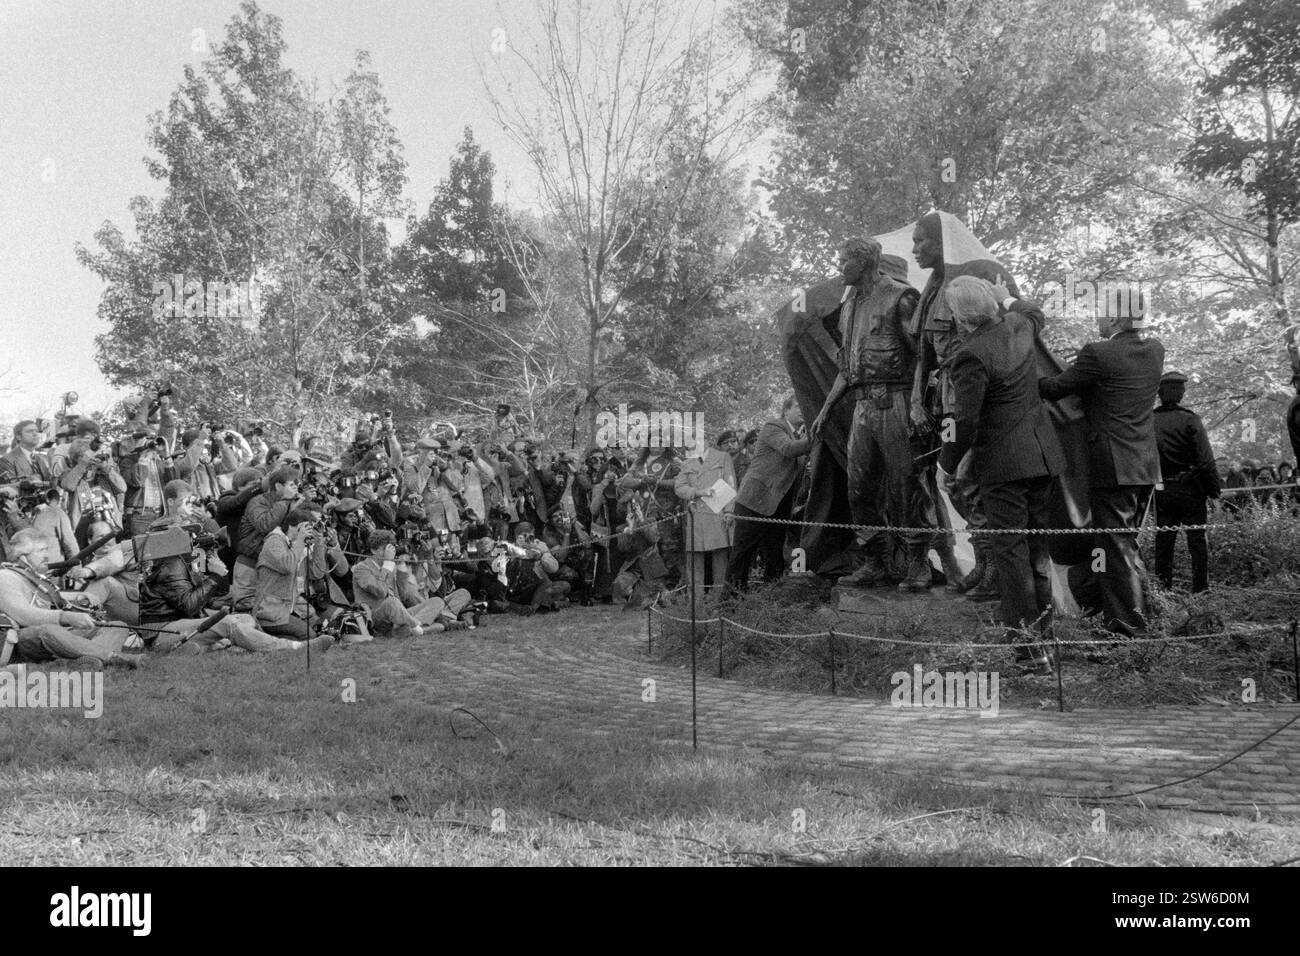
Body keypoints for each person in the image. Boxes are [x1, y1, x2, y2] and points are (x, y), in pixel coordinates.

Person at [938, 277, 1064, 672]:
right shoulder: (1020, 325)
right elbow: (1032, 309)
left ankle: (1028, 653)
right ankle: (1044, 644)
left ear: (960, 316)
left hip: (1005, 466)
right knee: (1039, 553)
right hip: (1043, 458)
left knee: (1012, 556)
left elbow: (965, 421)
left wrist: (945, 462)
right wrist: (1002, 293)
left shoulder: (970, 355)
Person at [1039, 287, 1164, 635]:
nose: (1095, 317)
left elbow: (1054, 388)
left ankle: (1127, 631)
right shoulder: (1155, 350)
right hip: (1144, 466)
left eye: (1099, 311)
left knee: (1115, 549)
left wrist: (1025, 375)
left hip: (1111, 467)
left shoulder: (1098, 354)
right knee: (1125, 546)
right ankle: (1129, 616)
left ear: (1113, 318)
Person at [813, 236, 931, 590]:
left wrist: (915, 403)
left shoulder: (900, 297)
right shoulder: (849, 308)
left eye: (844, 260)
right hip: (862, 406)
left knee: (907, 484)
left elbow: (924, 358)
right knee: (859, 488)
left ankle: (918, 564)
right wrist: (826, 408)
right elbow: (847, 368)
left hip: (895, 401)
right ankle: (875, 561)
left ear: (864, 262)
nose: (839, 267)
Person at [0, 528, 139, 669]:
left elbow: (52, 598)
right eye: (41, 551)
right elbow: (24, 615)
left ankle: (86, 660)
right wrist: (66, 617)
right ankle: (111, 657)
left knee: (118, 626)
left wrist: (79, 596)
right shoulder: (6, 577)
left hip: (57, 633)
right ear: (23, 557)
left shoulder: (33, 576)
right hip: (25, 638)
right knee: (49, 631)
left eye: (47, 550)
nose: (47, 555)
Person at [725, 395, 811, 592]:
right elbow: (789, 449)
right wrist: (816, 434)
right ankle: (728, 604)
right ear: (786, 410)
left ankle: (769, 602)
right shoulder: (774, 426)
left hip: (778, 507)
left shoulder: (801, 434)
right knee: (742, 555)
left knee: (774, 556)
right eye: (797, 405)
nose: (802, 409)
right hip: (754, 502)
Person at [1152, 371, 1219, 593]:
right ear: (1180, 392)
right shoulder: (1191, 419)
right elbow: (1206, 460)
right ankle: (1201, 590)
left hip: (1162, 490)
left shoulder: (1149, 421)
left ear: (1160, 394)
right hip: (1191, 489)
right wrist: (1214, 491)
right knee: (1197, 541)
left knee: (1163, 542)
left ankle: (1162, 591)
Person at [675, 430, 738, 613]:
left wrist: (729, 512)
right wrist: (697, 492)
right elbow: (679, 487)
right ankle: (696, 606)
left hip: (718, 514)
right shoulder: (687, 463)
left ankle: (719, 604)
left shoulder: (723, 457)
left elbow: (731, 485)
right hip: (696, 516)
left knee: (720, 561)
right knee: (695, 562)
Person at [233, 465, 301, 611]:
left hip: (270, 570)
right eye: (291, 484)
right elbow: (265, 525)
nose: (296, 488)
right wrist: (285, 502)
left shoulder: (290, 504)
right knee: (245, 611)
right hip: (249, 566)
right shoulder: (257, 502)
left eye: (297, 484)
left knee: (266, 615)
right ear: (278, 486)